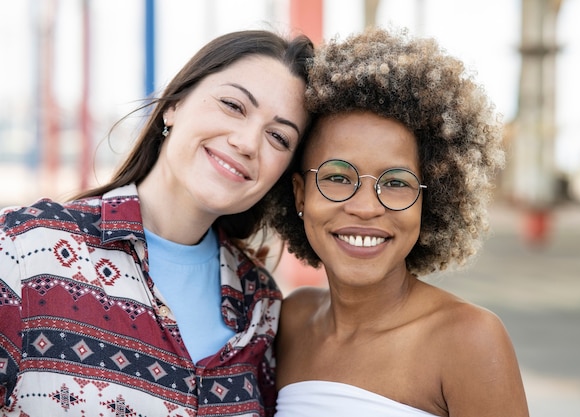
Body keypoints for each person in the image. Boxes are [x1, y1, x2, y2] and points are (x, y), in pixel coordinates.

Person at [0, 29, 313, 417]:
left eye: (278, 137)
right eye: (233, 105)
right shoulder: (25, 250)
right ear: (174, 105)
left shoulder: (260, 308)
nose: (248, 142)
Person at [269, 27, 530, 417]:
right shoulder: (292, 319)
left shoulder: (469, 340)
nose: (365, 207)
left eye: (395, 183)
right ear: (300, 193)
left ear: (431, 201)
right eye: (338, 176)